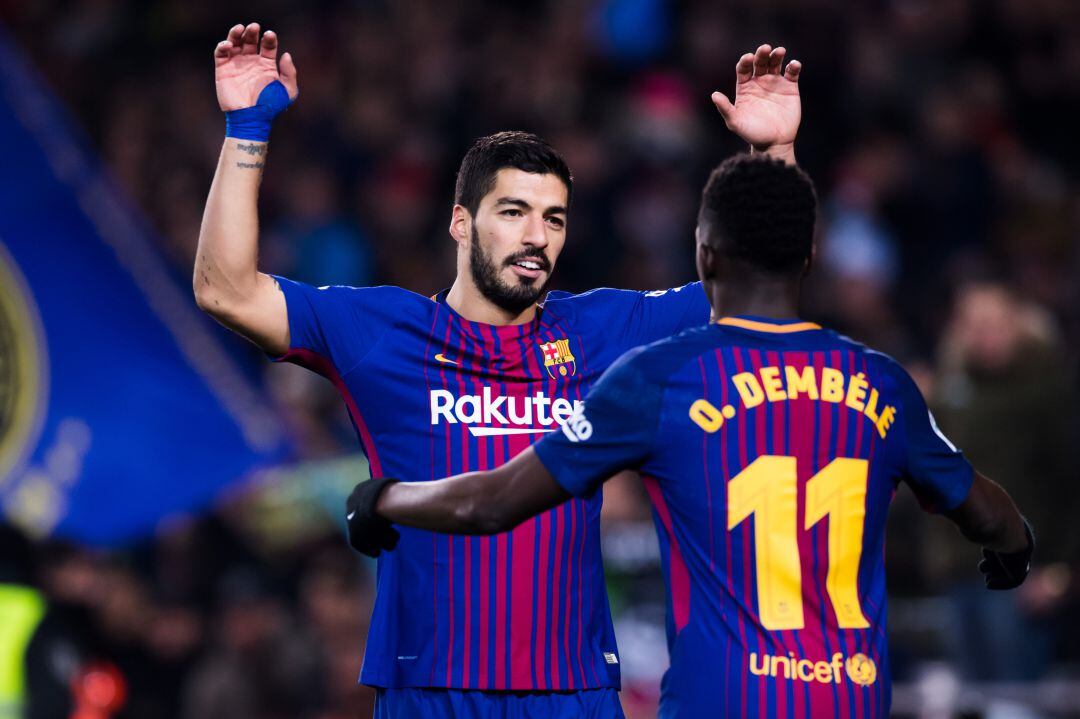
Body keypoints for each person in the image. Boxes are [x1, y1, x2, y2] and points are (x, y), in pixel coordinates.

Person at [195, 21, 803, 719]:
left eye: (554, 218)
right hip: (428, 688)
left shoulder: (601, 331)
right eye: (513, 212)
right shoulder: (380, 333)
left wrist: (773, 153)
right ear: (460, 222)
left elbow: (762, 289)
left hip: (572, 692)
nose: (537, 236)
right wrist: (246, 129)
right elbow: (225, 289)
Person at [347, 154, 1035, 717]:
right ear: (812, 254)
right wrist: (1012, 548)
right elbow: (989, 511)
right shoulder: (882, 383)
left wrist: (381, 499)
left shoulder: (657, 379)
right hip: (849, 698)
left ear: (704, 255)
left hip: (719, 701)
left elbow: (490, 503)